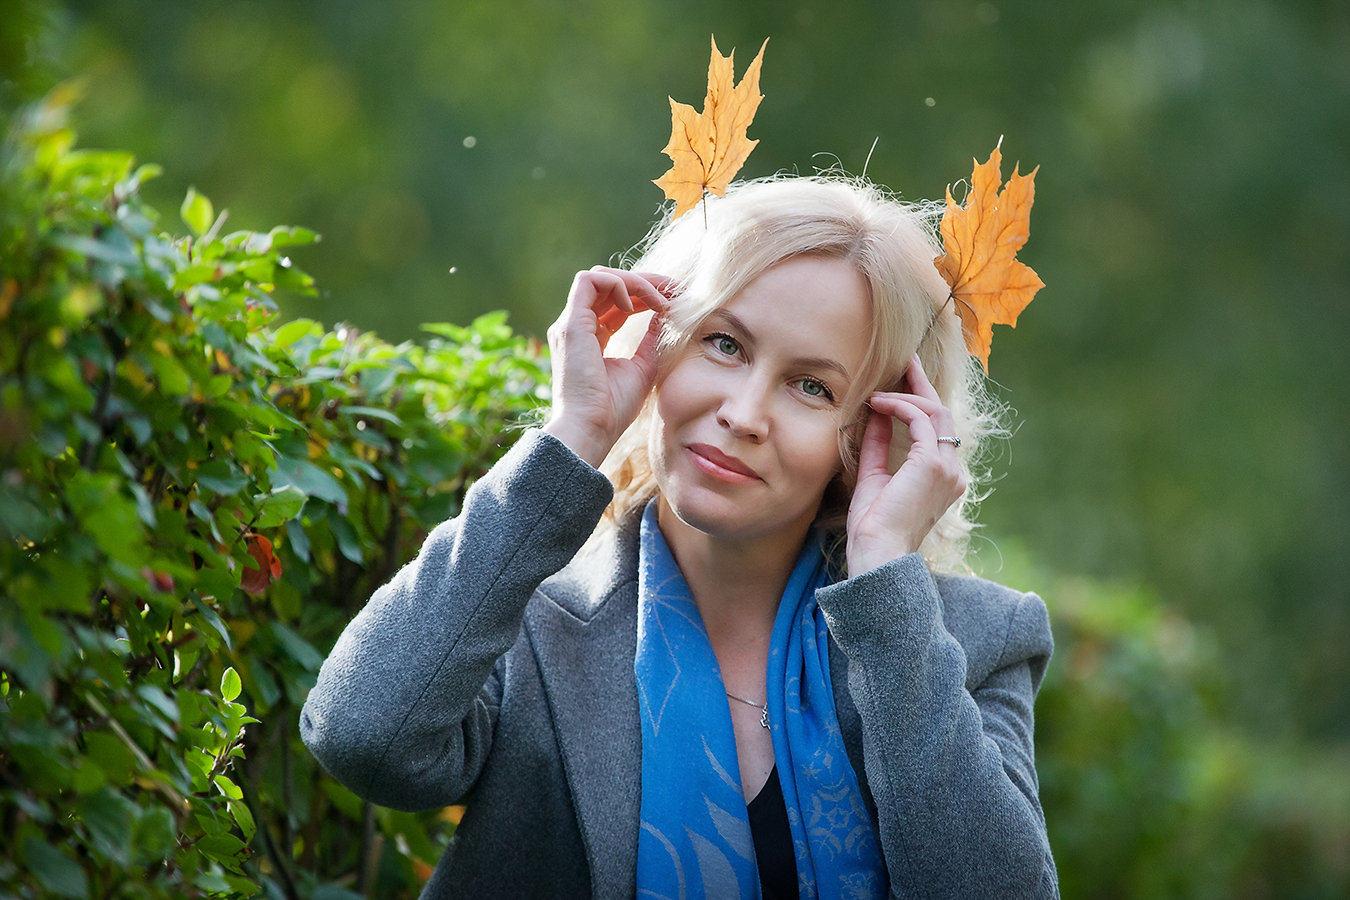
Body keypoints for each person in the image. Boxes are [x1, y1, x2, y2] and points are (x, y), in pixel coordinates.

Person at [301, 176, 1058, 899]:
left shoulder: (975, 641)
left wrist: (887, 583)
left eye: (812, 387)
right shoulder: (525, 622)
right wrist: (571, 437)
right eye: (724, 344)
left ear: (874, 437)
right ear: (658, 341)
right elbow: (363, 738)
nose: (744, 413)